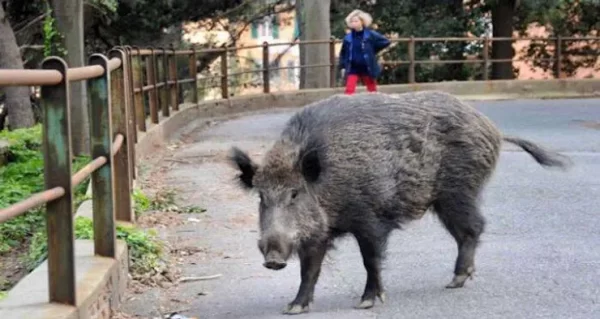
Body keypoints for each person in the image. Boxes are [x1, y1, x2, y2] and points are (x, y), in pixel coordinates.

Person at [339, 9, 391, 95]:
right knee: (349, 91)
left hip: (366, 66)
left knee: (372, 90)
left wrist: (372, 50)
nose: (354, 23)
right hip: (353, 67)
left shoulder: (370, 34)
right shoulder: (348, 38)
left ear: (362, 22)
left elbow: (385, 41)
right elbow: (343, 53)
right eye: (352, 21)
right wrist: (343, 66)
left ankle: (375, 105)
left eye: (356, 21)